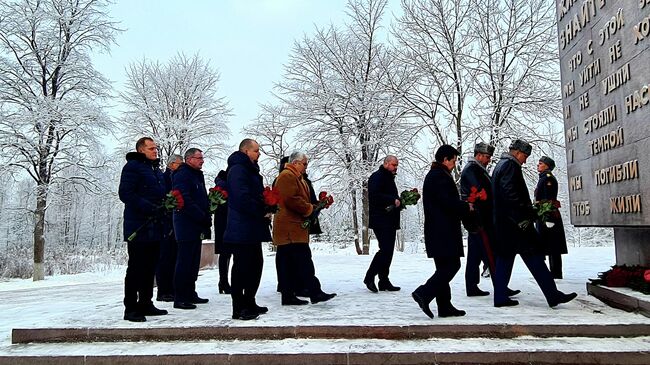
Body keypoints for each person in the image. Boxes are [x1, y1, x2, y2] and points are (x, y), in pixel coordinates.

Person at [491, 139, 577, 308]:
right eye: (525, 155)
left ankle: (501, 296)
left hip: (506, 224)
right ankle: (552, 295)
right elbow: (510, 194)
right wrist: (527, 212)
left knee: (506, 258)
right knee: (534, 256)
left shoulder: (501, 164)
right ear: (516, 152)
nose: (526, 159)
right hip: (518, 224)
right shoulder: (510, 165)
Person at [412, 145, 471, 318]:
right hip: (443, 230)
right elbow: (448, 203)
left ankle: (444, 306)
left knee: (443, 267)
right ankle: (424, 293)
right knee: (452, 265)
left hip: (437, 230)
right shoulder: (439, 177)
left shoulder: (436, 175)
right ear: (445, 159)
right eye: (453, 160)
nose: (455, 164)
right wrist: (466, 206)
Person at [273, 151, 337, 306]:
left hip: (293, 228)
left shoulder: (296, 177)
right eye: (304, 164)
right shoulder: (287, 176)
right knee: (303, 260)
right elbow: (291, 199)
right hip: (290, 228)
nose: (306, 167)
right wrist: (310, 209)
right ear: (295, 162)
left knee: (289, 263)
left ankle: (289, 295)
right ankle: (314, 292)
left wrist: (315, 205)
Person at [460, 143, 521, 298]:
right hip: (480, 219)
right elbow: (482, 192)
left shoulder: (475, 169)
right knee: (491, 253)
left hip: (476, 220)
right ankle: (500, 287)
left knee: (474, 255)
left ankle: (471, 285)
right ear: (479, 155)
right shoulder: (472, 170)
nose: (488, 160)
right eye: (487, 157)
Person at [118, 137, 168, 322]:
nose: (155, 151)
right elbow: (126, 193)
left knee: (150, 267)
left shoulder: (155, 170)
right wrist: (148, 207)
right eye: (151, 148)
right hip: (139, 225)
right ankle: (131, 307)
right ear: (141, 150)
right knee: (136, 268)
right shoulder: (132, 167)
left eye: (156, 148)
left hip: (155, 226)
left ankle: (146, 302)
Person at [224, 139, 272, 320]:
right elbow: (241, 197)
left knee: (255, 265)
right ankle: (239, 307)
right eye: (256, 151)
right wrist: (262, 209)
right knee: (242, 267)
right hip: (241, 227)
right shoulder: (238, 170)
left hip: (252, 226)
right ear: (246, 151)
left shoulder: (250, 170)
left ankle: (250, 300)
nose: (259, 154)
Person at [172, 148, 211, 310]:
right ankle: (180, 296)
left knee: (194, 261)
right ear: (189, 159)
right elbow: (184, 199)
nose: (202, 160)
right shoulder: (182, 174)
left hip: (196, 224)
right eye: (199, 158)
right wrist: (201, 215)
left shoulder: (196, 174)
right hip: (186, 223)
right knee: (185, 261)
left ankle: (190, 292)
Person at [364, 155, 402, 293]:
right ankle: (369, 277)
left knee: (388, 251)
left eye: (396, 165)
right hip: (381, 219)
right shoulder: (377, 177)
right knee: (385, 250)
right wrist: (393, 200)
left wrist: (399, 200)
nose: (395, 167)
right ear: (386, 164)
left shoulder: (388, 177)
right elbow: (374, 196)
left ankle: (384, 281)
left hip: (390, 219)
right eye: (393, 165)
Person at [535, 156, 567, 279]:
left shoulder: (548, 179)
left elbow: (548, 199)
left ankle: (556, 273)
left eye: (541, 163)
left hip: (548, 215)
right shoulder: (543, 178)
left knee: (553, 245)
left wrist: (547, 218)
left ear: (547, 166)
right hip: (543, 214)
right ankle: (550, 272)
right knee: (547, 244)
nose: (538, 165)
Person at [156, 154, 183, 302]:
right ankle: (163, 290)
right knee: (165, 258)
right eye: (180, 164)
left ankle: (172, 288)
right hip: (167, 223)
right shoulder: (166, 179)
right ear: (172, 164)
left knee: (174, 257)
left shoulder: (177, 178)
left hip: (175, 223)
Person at [213, 169, 232, 294]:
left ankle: (223, 282)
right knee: (226, 254)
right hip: (225, 222)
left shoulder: (221, 183)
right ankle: (223, 282)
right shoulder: (225, 185)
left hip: (223, 222)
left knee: (225, 254)